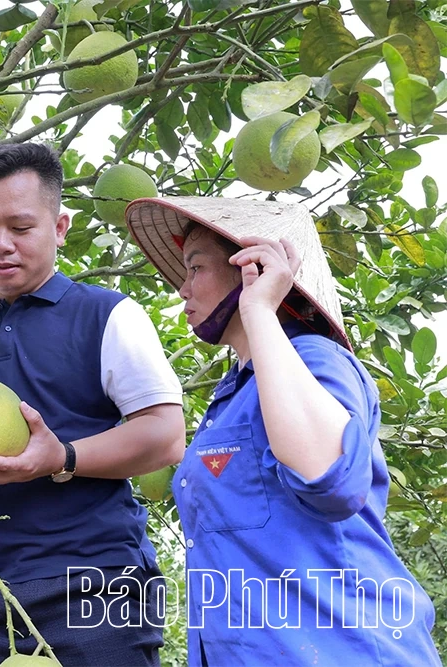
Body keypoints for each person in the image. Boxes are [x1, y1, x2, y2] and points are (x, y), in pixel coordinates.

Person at [0, 143, 186, 666]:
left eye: (20, 228)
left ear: (60, 227)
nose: (1, 245)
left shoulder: (109, 315)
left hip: (98, 584)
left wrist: (60, 458)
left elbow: (166, 435)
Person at [124, 196, 441, 665]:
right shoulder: (231, 396)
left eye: (196, 268)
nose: (182, 289)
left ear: (251, 266)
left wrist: (258, 310)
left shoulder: (317, 361)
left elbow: (330, 479)